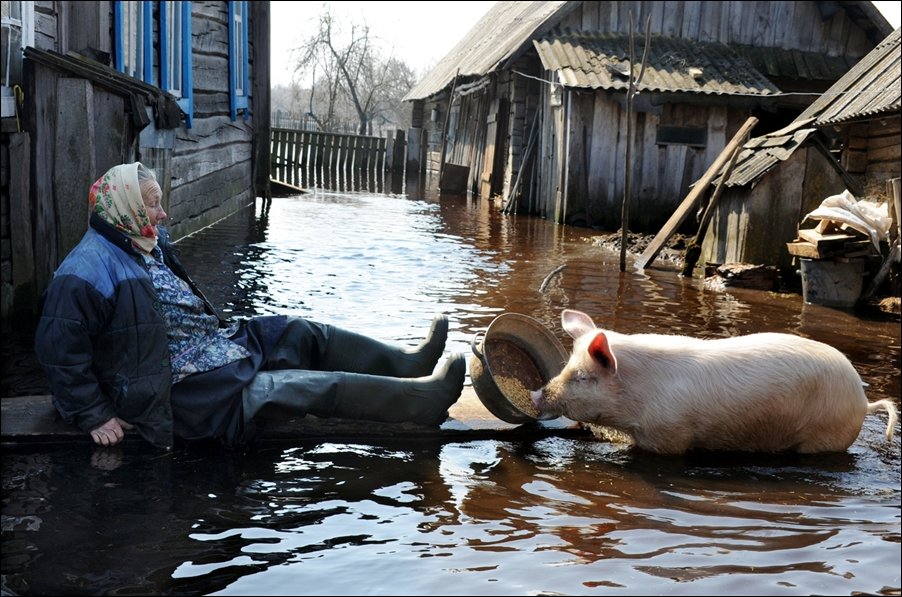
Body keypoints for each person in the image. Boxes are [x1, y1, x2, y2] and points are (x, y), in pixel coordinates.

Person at [35, 162, 466, 449]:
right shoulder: (85, 272)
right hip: (172, 392)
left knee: (296, 330)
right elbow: (58, 350)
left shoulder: (141, 240)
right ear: (126, 206)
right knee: (286, 386)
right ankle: (421, 402)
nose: (163, 213)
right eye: (153, 203)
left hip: (208, 349)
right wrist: (94, 413)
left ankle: (408, 363)